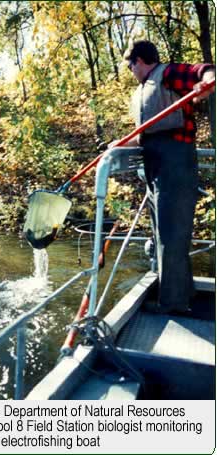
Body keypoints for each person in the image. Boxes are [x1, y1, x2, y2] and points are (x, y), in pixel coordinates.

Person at [115, 40, 215, 314]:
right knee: (163, 234)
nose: (130, 71)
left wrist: (207, 82)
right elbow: (141, 136)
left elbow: (204, 70)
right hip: (154, 165)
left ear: (140, 61)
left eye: (130, 65)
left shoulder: (166, 73)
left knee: (172, 236)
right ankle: (183, 292)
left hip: (175, 161)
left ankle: (172, 305)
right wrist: (117, 146)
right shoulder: (141, 92)